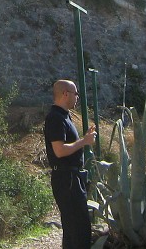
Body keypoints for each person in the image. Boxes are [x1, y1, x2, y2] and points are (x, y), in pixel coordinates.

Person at [44, 79, 97, 249]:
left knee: (73, 229)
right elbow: (59, 151)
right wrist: (84, 141)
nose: (77, 97)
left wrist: (83, 140)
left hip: (71, 177)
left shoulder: (64, 117)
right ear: (65, 94)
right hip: (67, 178)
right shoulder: (55, 118)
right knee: (79, 229)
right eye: (75, 93)